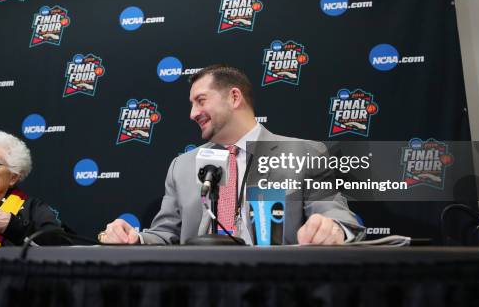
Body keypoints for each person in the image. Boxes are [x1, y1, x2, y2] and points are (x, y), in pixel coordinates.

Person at [99, 64, 365, 245]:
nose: (192, 114)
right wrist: (136, 238)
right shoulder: (182, 166)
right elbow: (166, 234)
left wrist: (332, 229)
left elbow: (338, 217)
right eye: (191, 104)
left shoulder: (305, 153)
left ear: (234, 97)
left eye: (200, 101)